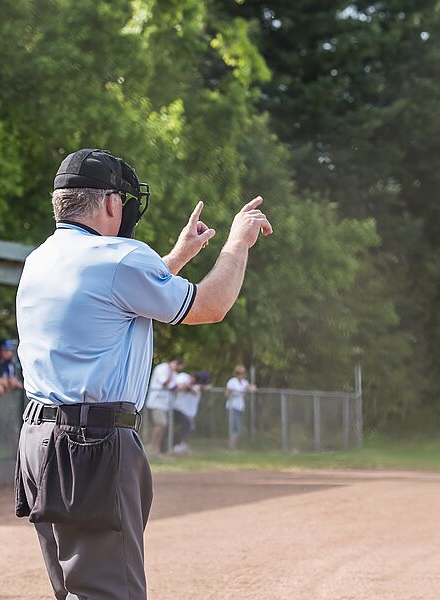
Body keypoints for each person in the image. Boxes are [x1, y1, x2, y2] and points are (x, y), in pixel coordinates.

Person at [15, 148, 272, 600]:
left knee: (76, 589)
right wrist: (238, 243)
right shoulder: (119, 257)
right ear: (111, 203)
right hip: (91, 444)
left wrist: (175, 257)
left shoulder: (40, 259)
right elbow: (210, 307)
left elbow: (112, 300)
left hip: (40, 441)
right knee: (111, 592)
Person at [144, 357, 183, 456]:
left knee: (162, 425)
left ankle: (156, 448)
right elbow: (166, 383)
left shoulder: (173, 373)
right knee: (161, 424)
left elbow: (174, 387)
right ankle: (153, 448)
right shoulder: (162, 368)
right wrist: (171, 371)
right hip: (156, 401)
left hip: (165, 404)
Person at [170, 370, 209, 455]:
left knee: (189, 429)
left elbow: (199, 389)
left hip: (190, 412)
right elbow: (177, 386)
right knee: (186, 425)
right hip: (178, 408)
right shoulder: (183, 377)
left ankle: (182, 446)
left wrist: (190, 387)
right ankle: (174, 445)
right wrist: (187, 386)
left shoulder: (197, 386)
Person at [225, 364, 255, 450]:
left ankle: (232, 445)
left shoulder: (245, 382)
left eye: (243, 373)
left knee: (237, 428)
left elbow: (250, 388)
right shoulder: (232, 382)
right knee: (236, 428)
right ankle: (232, 446)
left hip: (240, 407)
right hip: (231, 407)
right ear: (236, 374)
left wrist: (251, 388)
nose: (242, 375)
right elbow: (227, 394)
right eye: (240, 373)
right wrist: (236, 392)